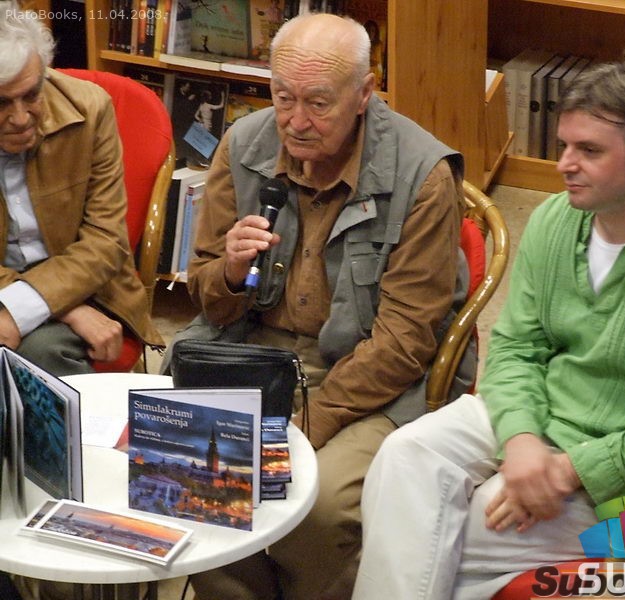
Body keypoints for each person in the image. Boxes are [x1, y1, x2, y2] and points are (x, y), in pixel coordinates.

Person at [353, 59, 625, 600]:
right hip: (541, 411)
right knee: (403, 456)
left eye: (588, 151)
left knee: (433, 536)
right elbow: (516, 346)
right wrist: (522, 439)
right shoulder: (553, 218)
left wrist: (571, 469)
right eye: (564, 145)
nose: (564, 164)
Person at [166, 11, 473, 600]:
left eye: (318, 103)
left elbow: (404, 342)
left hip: (368, 377)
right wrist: (229, 272)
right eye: (283, 98)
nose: (296, 122)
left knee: (317, 503)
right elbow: (208, 299)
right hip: (252, 354)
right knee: (185, 465)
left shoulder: (424, 175)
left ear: (364, 93)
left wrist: (302, 427)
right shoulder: (245, 143)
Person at [0, 2, 162, 377]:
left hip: (89, 285)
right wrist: (63, 309)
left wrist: (26, 305)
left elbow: (106, 242)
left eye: (32, 94)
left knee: (40, 355)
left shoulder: (90, 109)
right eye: (1, 103)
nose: (21, 118)